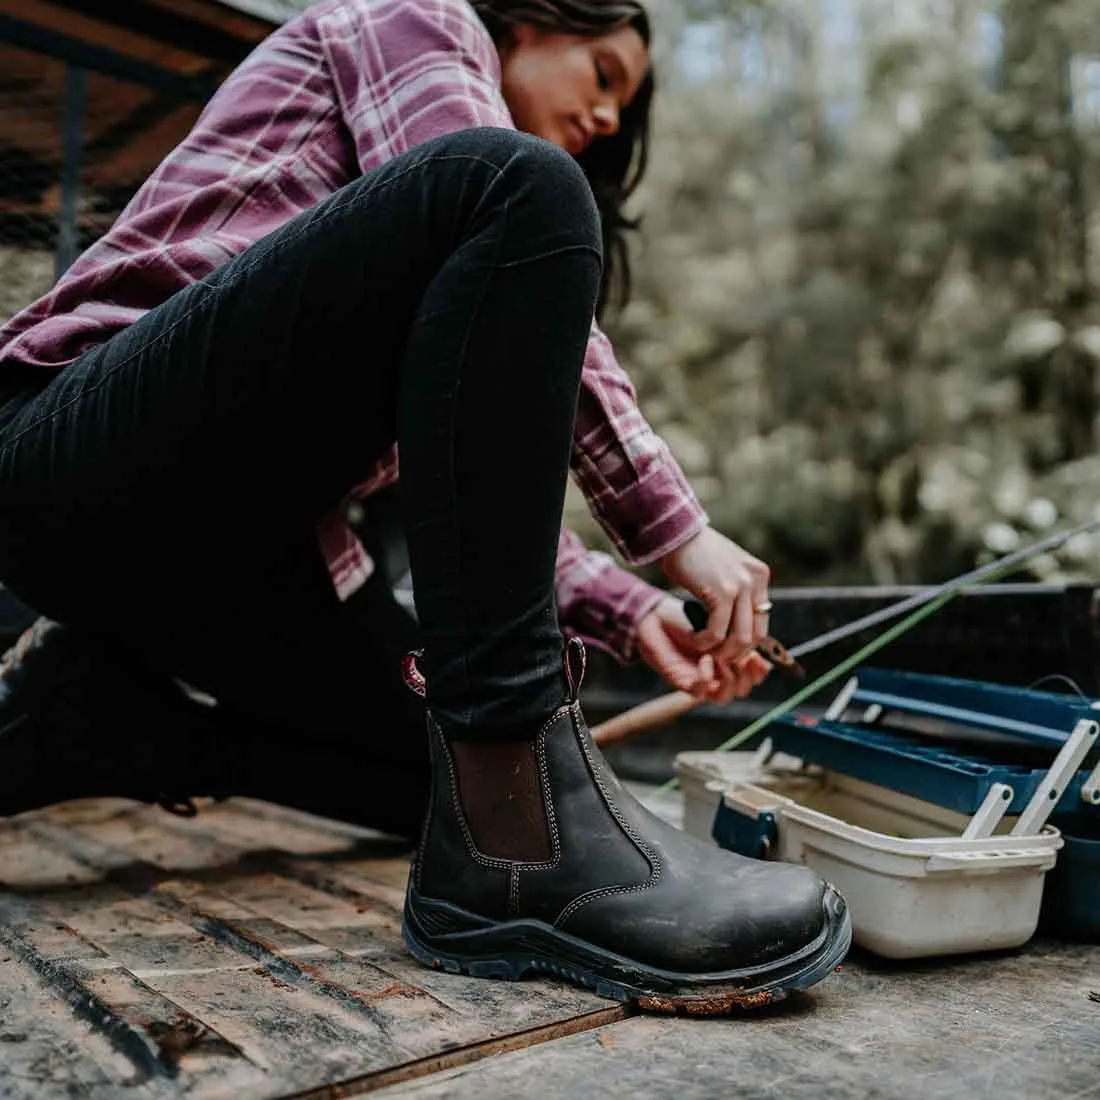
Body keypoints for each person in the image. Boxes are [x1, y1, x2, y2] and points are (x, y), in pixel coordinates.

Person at [0, 0, 849, 1011]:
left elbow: (443, 476)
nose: (608, 118)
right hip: (69, 456)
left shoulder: (425, 276)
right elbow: (493, 182)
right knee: (519, 182)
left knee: (458, 798)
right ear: (533, 18)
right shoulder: (420, 21)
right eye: (603, 73)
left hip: (227, 555)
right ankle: (518, 776)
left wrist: (631, 607)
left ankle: (117, 725)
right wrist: (674, 527)